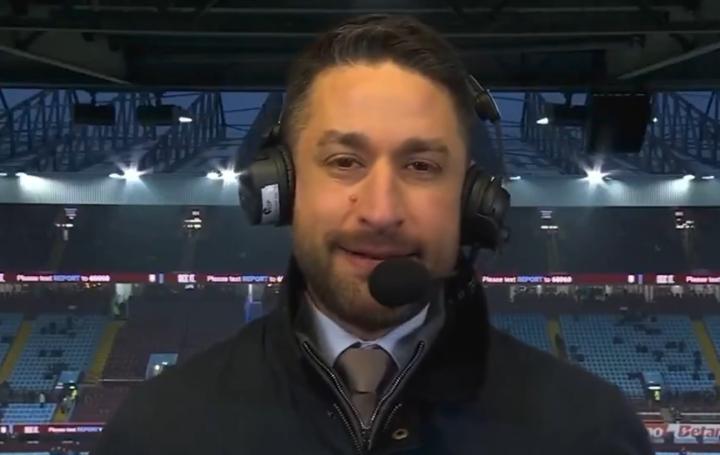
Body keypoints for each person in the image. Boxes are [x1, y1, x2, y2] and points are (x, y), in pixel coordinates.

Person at [93, 14, 652, 455]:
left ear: (474, 201)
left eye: (421, 166)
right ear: (281, 188)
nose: (381, 212)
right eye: (344, 162)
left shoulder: (590, 434)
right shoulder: (157, 433)